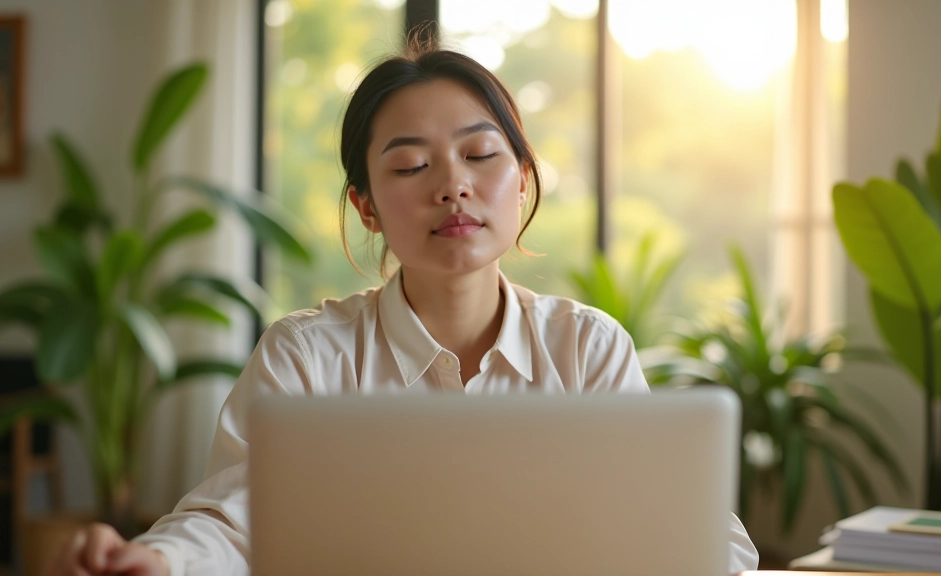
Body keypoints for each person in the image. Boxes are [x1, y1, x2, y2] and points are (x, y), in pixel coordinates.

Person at [51, 40, 760, 576]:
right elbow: (235, 517)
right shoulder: (307, 355)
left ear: (522, 182)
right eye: (411, 166)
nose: (453, 188)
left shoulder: (587, 349)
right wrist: (160, 562)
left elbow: (700, 536)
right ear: (365, 205)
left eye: (481, 155)